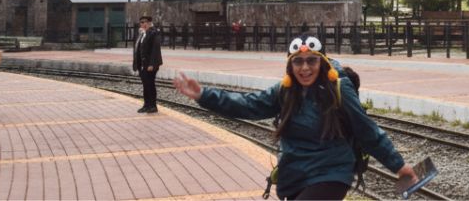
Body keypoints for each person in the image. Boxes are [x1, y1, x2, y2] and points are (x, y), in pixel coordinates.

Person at [174, 33, 417, 200]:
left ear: (322, 63)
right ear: (290, 66)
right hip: (296, 176)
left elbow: (368, 131)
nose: (305, 68)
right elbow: (246, 105)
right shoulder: (285, 91)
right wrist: (203, 95)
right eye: (298, 62)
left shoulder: (339, 89)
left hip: (331, 173)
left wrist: (399, 165)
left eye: (311, 61)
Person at [133, 15, 163, 113]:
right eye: (141, 22)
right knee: (145, 85)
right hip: (142, 65)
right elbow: (137, 49)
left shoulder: (154, 33)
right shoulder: (142, 34)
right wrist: (136, 64)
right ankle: (146, 105)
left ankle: (153, 106)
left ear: (150, 22)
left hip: (150, 65)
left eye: (145, 22)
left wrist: (152, 64)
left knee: (150, 84)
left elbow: (155, 50)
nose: (143, 24)